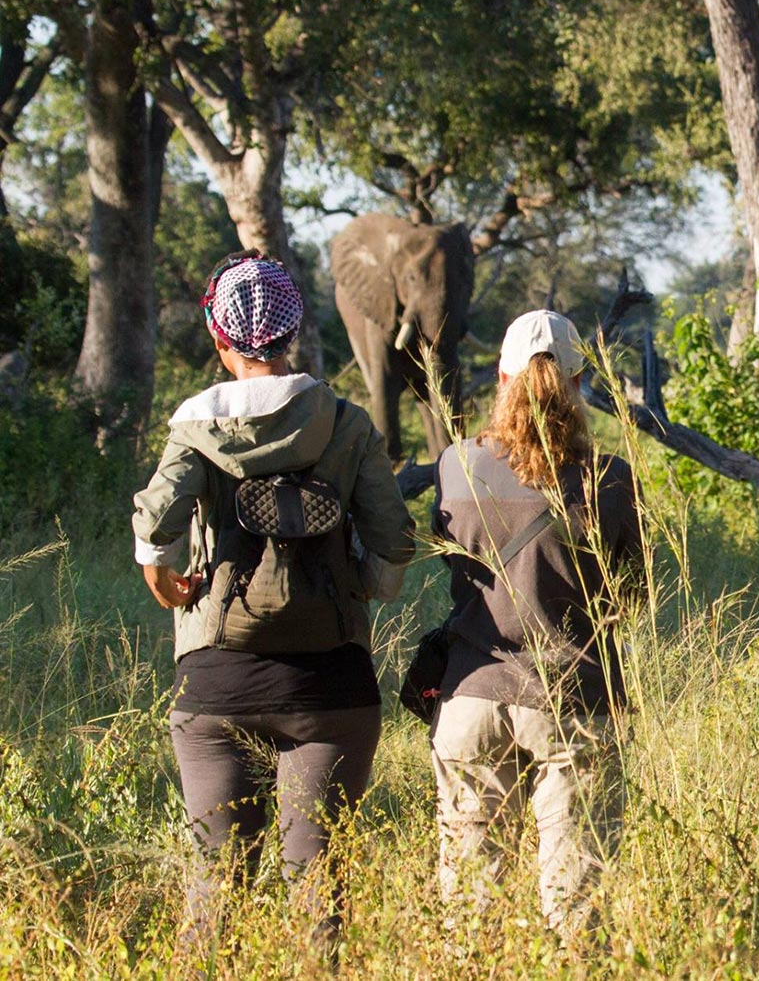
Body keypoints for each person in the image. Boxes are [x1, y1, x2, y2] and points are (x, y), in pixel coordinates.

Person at [132, 252, 414, 948]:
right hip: (331, 687)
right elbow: (393, 542)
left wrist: (163, 575)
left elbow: (157, 521)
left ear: (219, 338)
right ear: (293, 335)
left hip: (217, 682)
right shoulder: (345, 423)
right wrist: (363, 587)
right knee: (319, 894)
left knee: (216, 891)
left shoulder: (195, 426)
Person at [429, 309, 641, 938]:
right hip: (574, 699)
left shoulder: (455, 466)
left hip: (471, 693)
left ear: (501, 378)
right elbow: (632, 597)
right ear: (579, 384)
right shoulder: (609, 477)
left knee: (469, 910)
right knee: (575, 912)